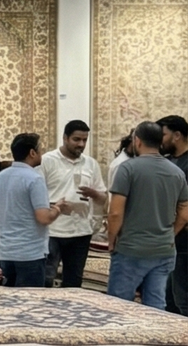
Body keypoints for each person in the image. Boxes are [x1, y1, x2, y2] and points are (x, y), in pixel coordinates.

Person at [106, 120, 188, 310]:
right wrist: (170, 233)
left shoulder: (128, 169)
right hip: (164, 250)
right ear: (160, 142)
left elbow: (115, 212)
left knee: (118, 305)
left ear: (137, 141)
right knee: (156, 305)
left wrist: (111, 240)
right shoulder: (176, 172)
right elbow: (184, 214)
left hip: (131, 249)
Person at [0, 133, 64, 288]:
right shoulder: (34, 179)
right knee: (29, 303)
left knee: (8, 301)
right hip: (30, 253)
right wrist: (58, 208)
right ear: (32, 153)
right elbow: (43, 217)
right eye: (40, 150)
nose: (42, 154)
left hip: (5, 251)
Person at [40, 120, 108, 287]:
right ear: (65, 138)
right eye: (76, 139)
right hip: (52, 231)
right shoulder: (47, 161)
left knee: (74, 281)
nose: (81, 144)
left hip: (80, 232)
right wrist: (57, 206)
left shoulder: (90, 163)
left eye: (84, 140)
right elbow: (36, 196)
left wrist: (93, 193)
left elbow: (103, 197)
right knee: (46, 279)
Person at [157, 116, 188, 312]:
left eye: (163, 135)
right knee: (168, 300)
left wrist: (172, 233)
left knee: (183, 298)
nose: (160, 140)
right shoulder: (166, 162)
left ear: (177, 135)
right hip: (169, 239)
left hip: (182, 238)